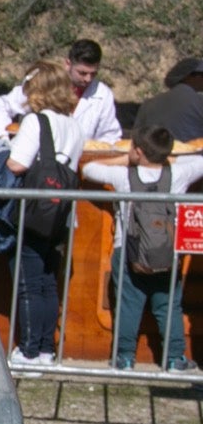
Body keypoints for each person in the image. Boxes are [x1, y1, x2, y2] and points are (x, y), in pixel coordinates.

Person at [84, 126, 203, 372]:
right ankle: (173, 358)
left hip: (127, 251)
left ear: (137, 151)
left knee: (128, 304)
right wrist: (171, 156)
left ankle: (125, 358)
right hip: (168, 253)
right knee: (169, 305)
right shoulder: (180, 173)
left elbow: (88, 169)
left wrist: (125, 160)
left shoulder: (124, 176)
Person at [4, 60, 81, 364]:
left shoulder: (36, 122)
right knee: (49, 282)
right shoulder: (75, 125)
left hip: (35, 212)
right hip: (61, 214)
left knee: (28, 282)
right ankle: (46, 348)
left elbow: (17, 163)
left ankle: (29, 350)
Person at [0, 39, 120, 144]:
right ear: (68, 64)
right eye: (82, 73)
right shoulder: (46, 82)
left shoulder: (103, 94)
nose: (88, 79)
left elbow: (110, 135)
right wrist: (3, 140)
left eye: (93, 74)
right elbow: (0, 108)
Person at [132, 57, 203, 142]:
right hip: (194, 154)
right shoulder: (198, 102)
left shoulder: (148, 104)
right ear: (189, 76)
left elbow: (137, 135)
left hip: (157, 153)